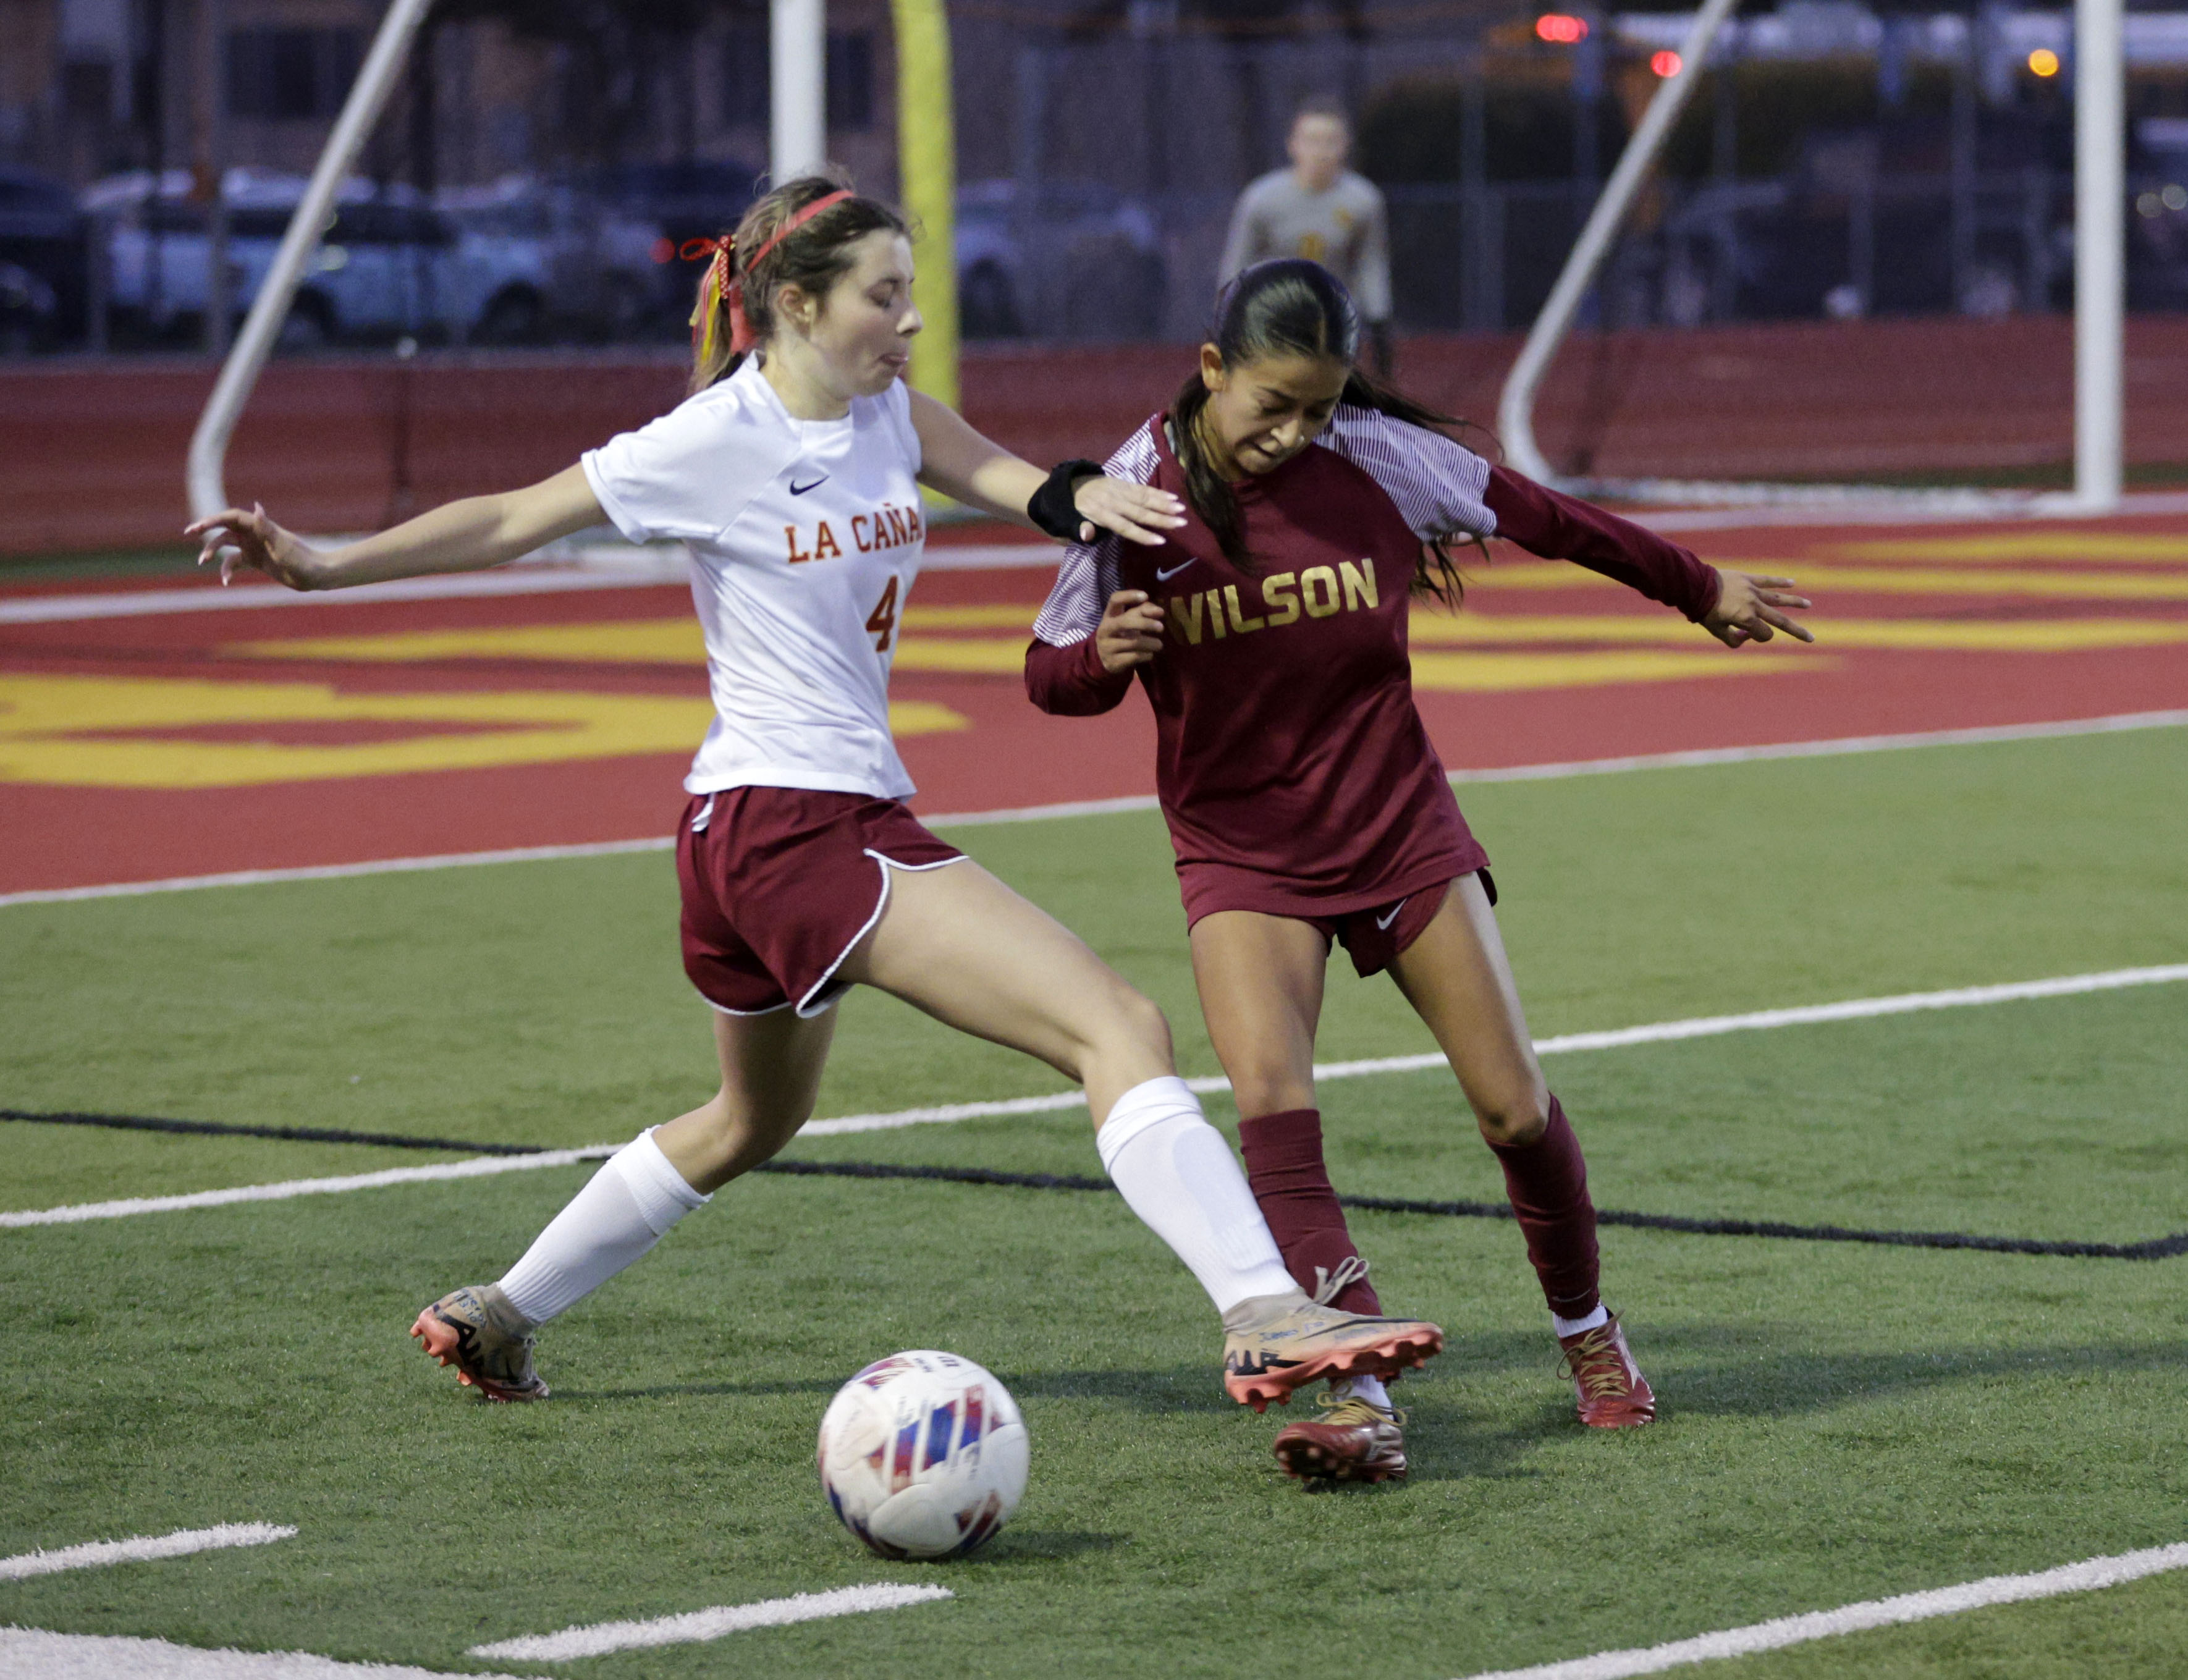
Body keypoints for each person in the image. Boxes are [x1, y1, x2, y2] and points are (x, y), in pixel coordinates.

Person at [186, 179, 1445, 1422]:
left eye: (911, 294)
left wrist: (1082, 500)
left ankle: (497, 1315)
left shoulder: (887, 411)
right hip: (800, 825)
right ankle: (1261, 1305)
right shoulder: (716, 440)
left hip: (741, 838)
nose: (906, 322)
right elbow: (516, 514)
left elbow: (1002, 475)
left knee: (747, 1120)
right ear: (793, 301)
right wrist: (322, 565)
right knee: (1115, 1026)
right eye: (881, 296)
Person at [1023, 258, 1814, 1484]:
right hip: (1244, 855)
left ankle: (1588, 1333)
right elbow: (1048, 672)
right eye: (1271, 405)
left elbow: (1552, 519)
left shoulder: (1381, 460)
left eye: (1320, 409)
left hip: (1397, 826)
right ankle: (1357, 1389)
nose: (1294, 435)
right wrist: (1103, 661)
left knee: (1513, 1108)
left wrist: (1700, 586)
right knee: (1278, 1119)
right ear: (1212, 367)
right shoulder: (1131, 493)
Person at [1219, 96, 1394, 376]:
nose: (1321, 151)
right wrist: (1229, 318)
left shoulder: (1363, 200)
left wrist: (1379, 320)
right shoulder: (1261, 199)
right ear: (1293, 145)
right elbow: (1237, 265)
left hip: (1333, 313)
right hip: (1272, 315)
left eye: (1331, 141)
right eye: (1312, 140)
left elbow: (1371, 263)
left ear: (1346, 145)